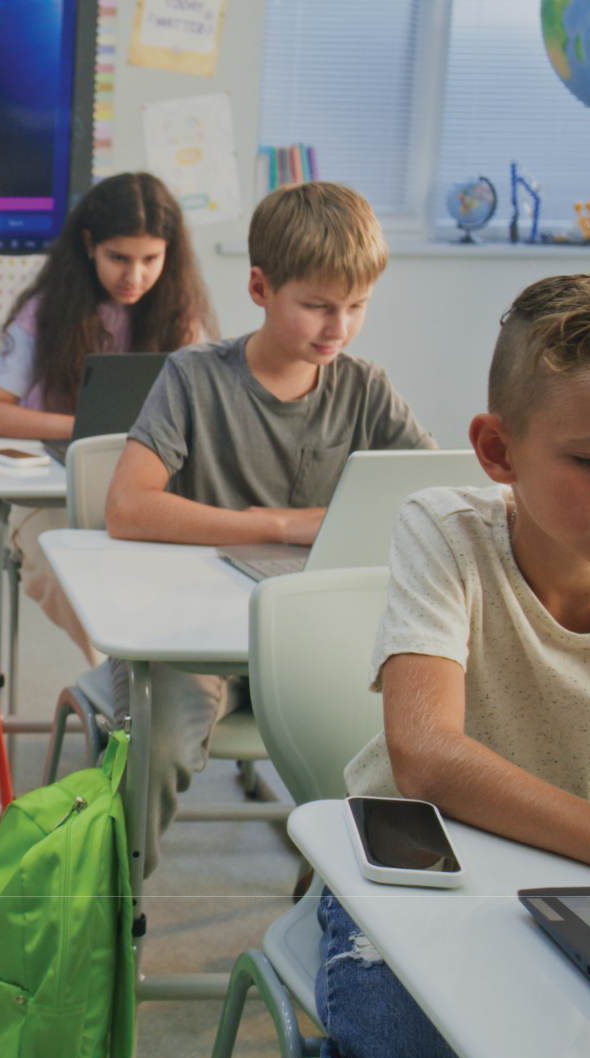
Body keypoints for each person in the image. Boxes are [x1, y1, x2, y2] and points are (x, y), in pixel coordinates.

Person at [320, 263, 590, 1058]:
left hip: (589, 874)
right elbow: (427, 756)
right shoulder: (446, 531)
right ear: (498, 451)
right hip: (422, 867)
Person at [102, 181, 434, 876]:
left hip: (320, 641)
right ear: (260, 287)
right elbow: (128, 506)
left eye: (356, 307)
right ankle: (115, 908)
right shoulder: (195, 378)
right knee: (156, 747)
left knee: (414, 743)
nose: (337, 327)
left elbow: (431, 498)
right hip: (195, 638)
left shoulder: (365, 388)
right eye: (316, 306)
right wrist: (279, 524)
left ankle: (334, 910)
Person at [0, 172, 214, 662]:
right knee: (68, 580)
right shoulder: (44, 312)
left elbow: (206, 413)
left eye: (150, 260)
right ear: (89, 246)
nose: (135, 276)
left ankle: (137, 701)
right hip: (47, 496)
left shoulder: (180, 319)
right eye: (118, 258)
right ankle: (119, 690)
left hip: (141, 493)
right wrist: (86, 430)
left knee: (169, 583)